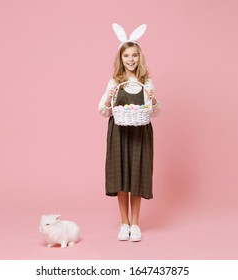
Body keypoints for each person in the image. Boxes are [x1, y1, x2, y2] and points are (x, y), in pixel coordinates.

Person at [98, 23, 161, 242]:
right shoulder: (114, 81)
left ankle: (135, 224)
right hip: (119, 133)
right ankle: (123, 224)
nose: (131, 59)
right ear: (121, 58)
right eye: (127, 55)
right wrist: (109, 96)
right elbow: (103, 110)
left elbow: (156, 112)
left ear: (139, 57)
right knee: (121, 178)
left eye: (134, 55)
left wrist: (152, 98)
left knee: (136, 178)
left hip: (140, 132)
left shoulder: (146, 82)